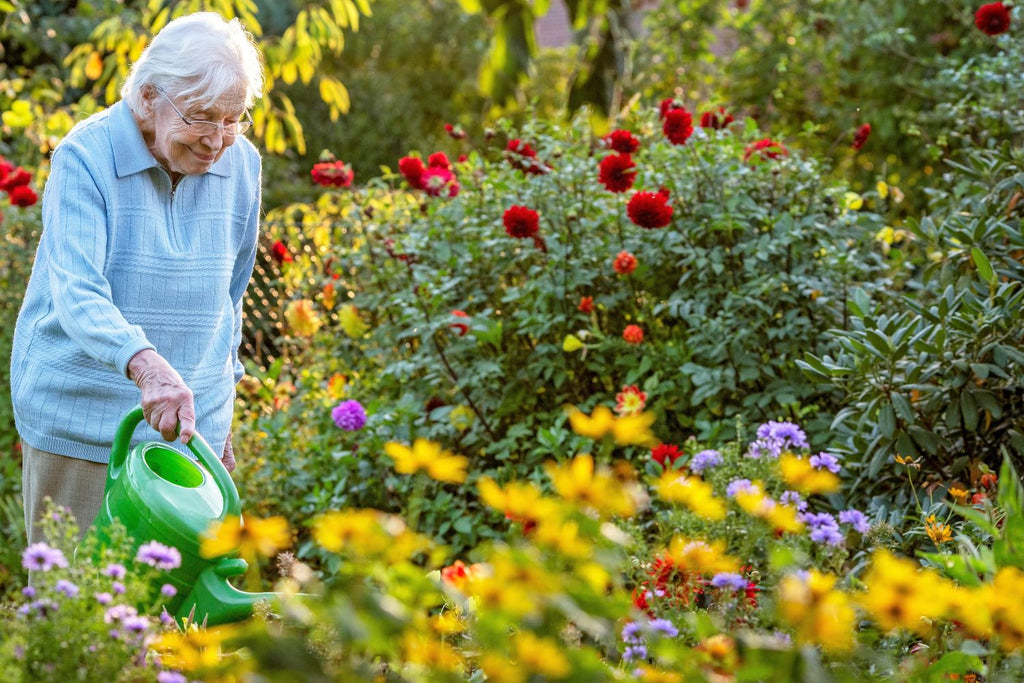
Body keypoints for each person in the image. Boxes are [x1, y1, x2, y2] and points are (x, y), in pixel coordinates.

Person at [10, 11, 265, 547]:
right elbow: (76, 292)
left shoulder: (241, 164)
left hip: (187, 432)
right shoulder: (87, 155)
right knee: (76, 609)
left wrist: (221, 414)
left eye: (233, 118)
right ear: (148, 96)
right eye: (202, 116)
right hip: (84, 424)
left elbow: (230, 300)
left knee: (178, 617)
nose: (218, 139)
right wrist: (146, 365)